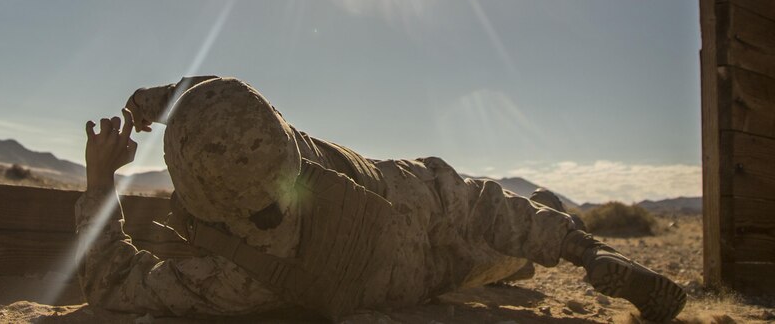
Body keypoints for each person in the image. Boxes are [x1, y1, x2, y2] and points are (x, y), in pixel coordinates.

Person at [76, 77, 687, 322]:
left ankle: (540, 244)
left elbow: (109, 281)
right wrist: (153, 99)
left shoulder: (228, 276)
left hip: (394, 278)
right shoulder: (285, 147)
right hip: (393, 189)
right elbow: (213, 93)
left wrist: (100, 180)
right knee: (487, 211)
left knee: (486, 265)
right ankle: (577, 244)